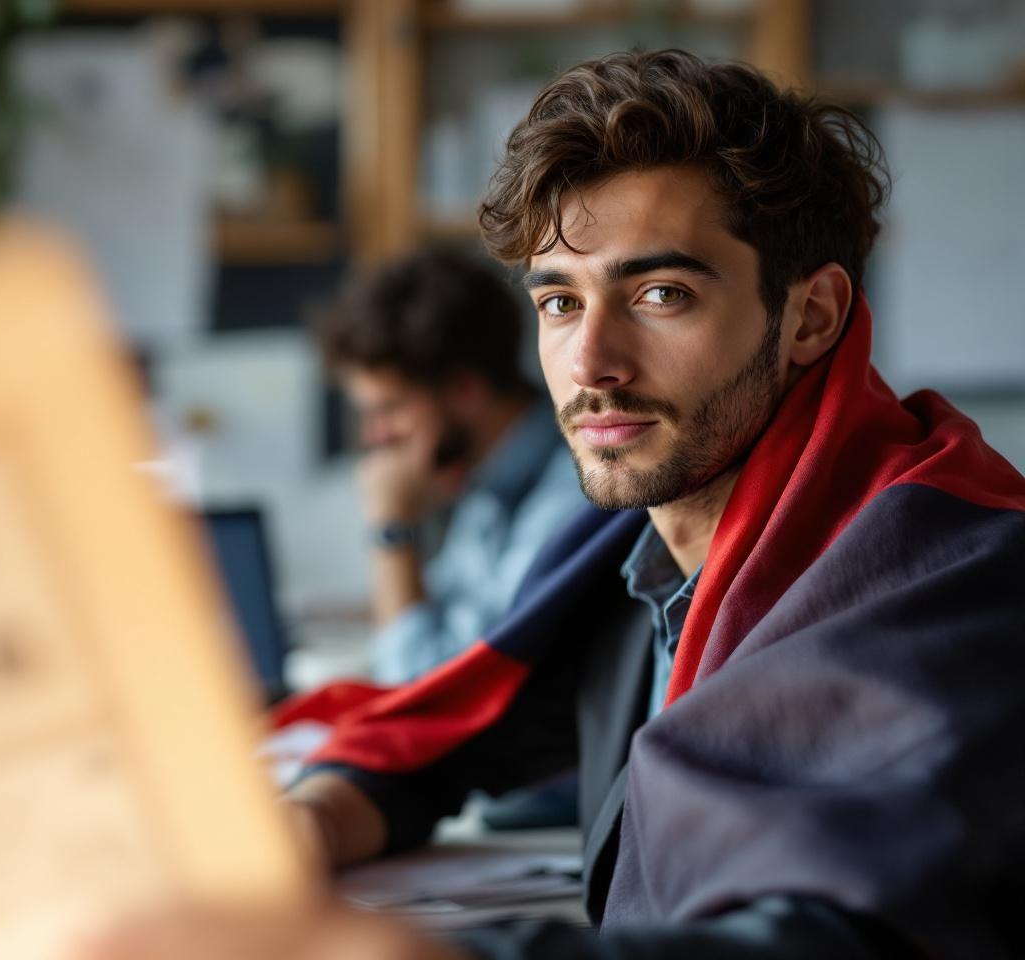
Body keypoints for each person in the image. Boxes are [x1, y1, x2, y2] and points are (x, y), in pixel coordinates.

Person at [91, 49, 1025, 959]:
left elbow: (835, 936)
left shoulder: (949, 568)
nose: (591, 366)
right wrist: (314, 820)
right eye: (560, 304)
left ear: (811, 317)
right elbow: (459, 737)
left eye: (660, 294)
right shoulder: (636, 551)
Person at [314, 248, 586, 685]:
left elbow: (424, 686)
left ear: (465, 390)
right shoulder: (487, 480)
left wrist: (392, 527)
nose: (374, 437)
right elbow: (439, 612)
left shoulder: (571, 492)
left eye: (389, 409)